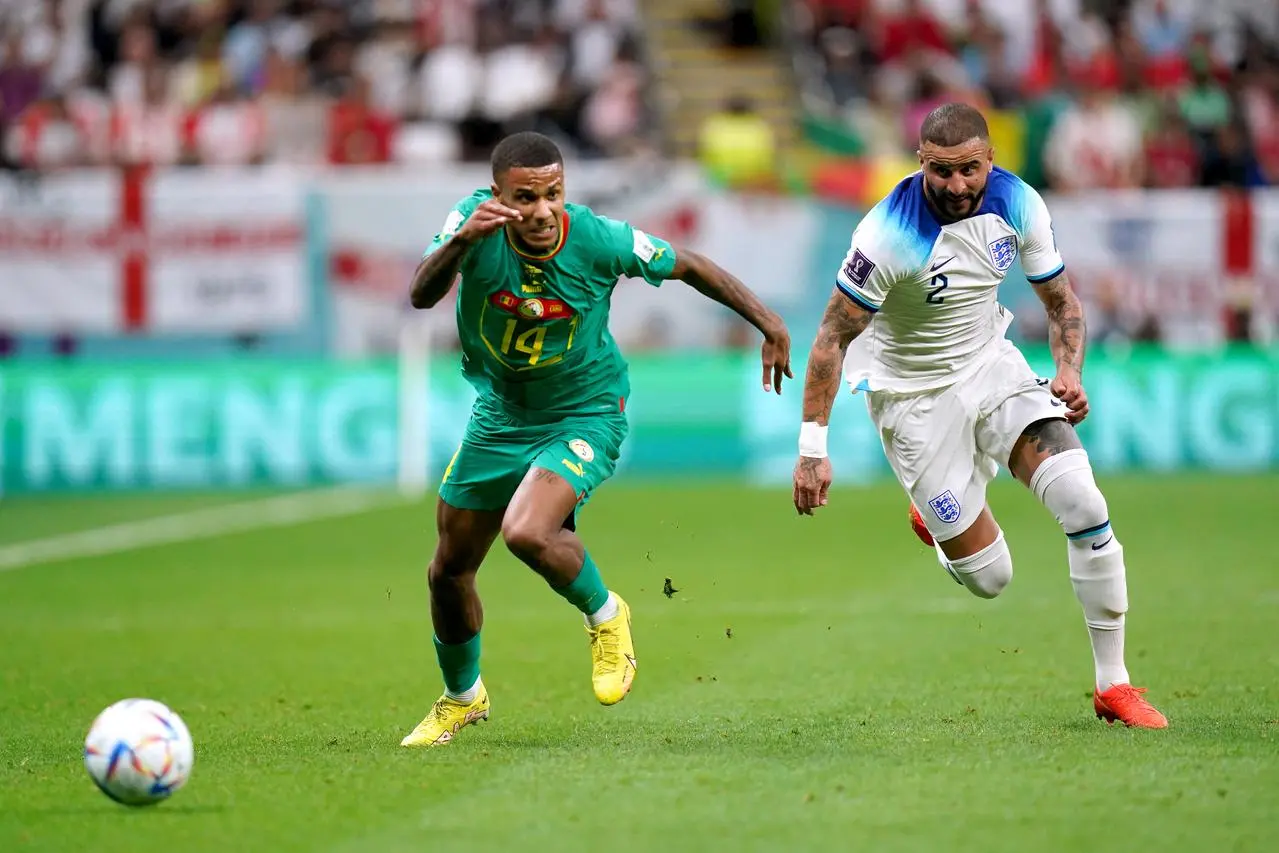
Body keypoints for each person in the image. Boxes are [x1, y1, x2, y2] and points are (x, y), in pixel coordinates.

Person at [402, 131, 793, 746]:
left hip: (584, 412)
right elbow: (421, 295)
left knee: (527, 531)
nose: (540, 210)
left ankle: (607, 615)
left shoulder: (596, 238)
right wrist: (461, 241)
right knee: (447, 570)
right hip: (500, 415)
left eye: (552, 194)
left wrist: (769, 323)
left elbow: (686, 263)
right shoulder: (469, 224)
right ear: (499, 194)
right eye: (524, 197)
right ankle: (462, 698)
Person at [791, 103, 1167, 729]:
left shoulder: (1020, 204)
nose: (957, 185)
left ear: (990, 159)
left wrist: (1068, 371)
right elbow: (831, 338)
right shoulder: (887, 235)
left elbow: (1060, 302)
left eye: (969, 168)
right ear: (921, 165)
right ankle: (937, 522)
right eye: (942, 171)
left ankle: (1114, 684)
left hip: (992, 366)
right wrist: (811, 448)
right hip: (912, 400)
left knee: (1083, 500)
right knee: (992, 578)